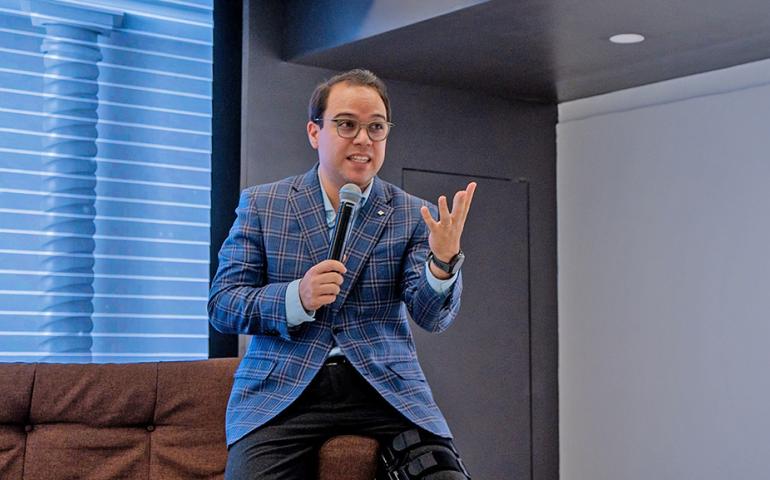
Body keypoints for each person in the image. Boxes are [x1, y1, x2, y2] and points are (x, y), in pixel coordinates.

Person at [209, 68, 476, 479]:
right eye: (347, 124)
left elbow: (431, 316)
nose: (363, 139)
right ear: (314, 132)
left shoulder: (411, 213)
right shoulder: (264, 205)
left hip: (384, 386)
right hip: (283, 389)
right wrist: (296, 297)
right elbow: (223, 304)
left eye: (376, 127)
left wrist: (442, 263)